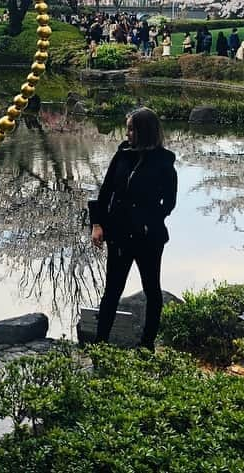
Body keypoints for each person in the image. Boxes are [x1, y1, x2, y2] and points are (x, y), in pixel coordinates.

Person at [89, 108, 177, 350]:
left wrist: (148, 220)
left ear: (144, 131)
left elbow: (169, 202)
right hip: (118, 234)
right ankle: (100, 344)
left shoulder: (164, 161)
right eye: (127, 128)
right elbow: (106, 191)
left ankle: (146, 343)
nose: (127, 133)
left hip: (148, 237)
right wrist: (97, 224)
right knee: (112, 290)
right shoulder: (122, 156)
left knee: (151, 288)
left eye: (131, 129)